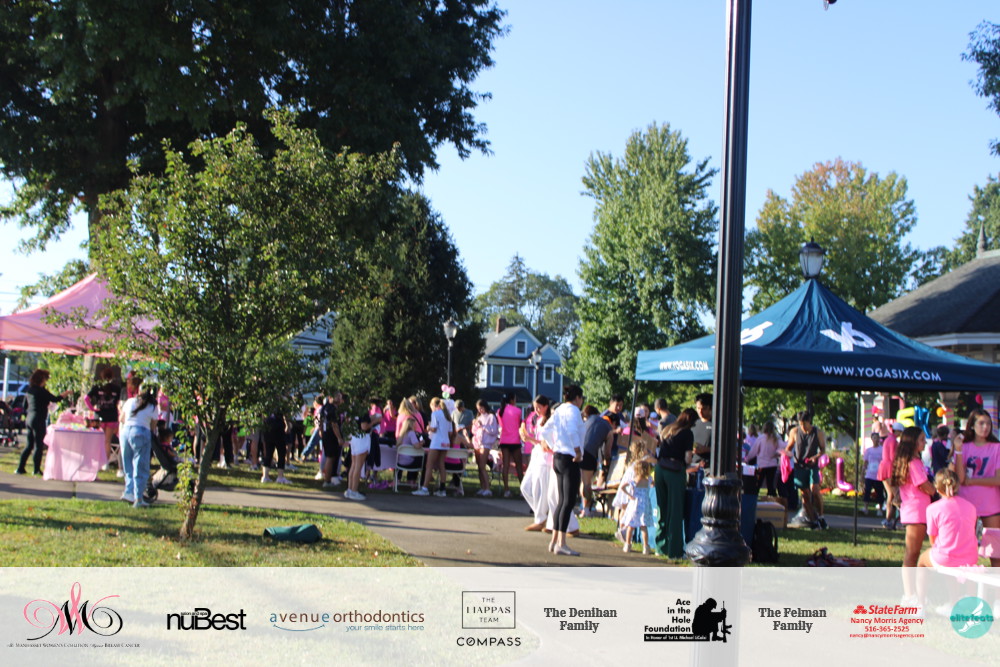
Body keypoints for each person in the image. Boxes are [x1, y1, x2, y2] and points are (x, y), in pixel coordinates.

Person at [537, 384, 585, 556]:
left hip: (558, 456)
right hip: (569, 457)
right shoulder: (573, 411)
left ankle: (554, 540)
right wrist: (577, 451)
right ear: (577, 398)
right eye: (581, 398)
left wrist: (553, 444)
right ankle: (561, 543)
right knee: (568, 501)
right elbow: (572, 431)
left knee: (562, 501)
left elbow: (545, 430)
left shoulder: (559, 410)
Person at [892, 426, 934, 606]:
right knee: (912, 554)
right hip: (916, 512)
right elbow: (926, 486)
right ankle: (909, 595)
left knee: (914, 553)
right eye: (922, 439)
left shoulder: (914, 461)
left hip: (916, 511)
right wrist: (937, 489)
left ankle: (914, 593)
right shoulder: (914, 463)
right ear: (913, 442)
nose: (925, 442)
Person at [953, 407, 1000, 567]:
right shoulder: (964, 447)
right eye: (981, 423)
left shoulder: (996, 448)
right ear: (972, 425)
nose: (985, 427)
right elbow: (960, 478)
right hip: (967, 503)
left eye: (988, 423)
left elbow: (998, 479)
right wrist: (958, 450)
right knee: (965, 549)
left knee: (995, 552)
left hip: (991, 505)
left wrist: (972, 481)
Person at [655, 407, 696, 558]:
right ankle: (675, 550)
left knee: (662, 509)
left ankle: (660, 547)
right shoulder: (687, 433)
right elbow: (688, 458)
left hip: (660, 469)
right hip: (675, 471)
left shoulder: (668, 429)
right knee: (675, 511)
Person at [919, 468, 979, 568]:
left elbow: (932, 541)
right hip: (970, 558)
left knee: (922, 560)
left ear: (937, 488)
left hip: (945, 558)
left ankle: (917, 580)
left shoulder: (933, 508)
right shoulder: (971, 507)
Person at [16, 369, 71, 476]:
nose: (46, 381)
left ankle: (20, 467)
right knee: (38, 445)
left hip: (29, 418)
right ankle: (36, 469)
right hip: (38, 418)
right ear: (42, 379)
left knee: (29, 444)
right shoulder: (41, 391)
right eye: (46, 379)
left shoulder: (30, 390)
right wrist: (66, 393)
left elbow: (25, 405)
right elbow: (55, 399)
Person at [118, 376, 158, 507]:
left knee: (128, 465)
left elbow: (122, 419)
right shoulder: (153, 406)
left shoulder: (130, 401)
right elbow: (153, 426)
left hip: (125, 432)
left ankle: (128, 491)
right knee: (140, 466)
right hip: (141, 432)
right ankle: (139, 498)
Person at [784, 410, 827, 529]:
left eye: (804, 424)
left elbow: (823, 449)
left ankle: (821, 516)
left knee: (815, 490)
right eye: (800, 424)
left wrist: (816, 457)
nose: (802, 427)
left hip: (812, 465)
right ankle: (813, 520)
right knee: (805, 495)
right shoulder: (794, 432)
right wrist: (786, 455)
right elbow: (789, 447)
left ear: (809, 422)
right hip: (799, 466)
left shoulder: (818, 432)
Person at [520, 395, 554, 530]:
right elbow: (538, 441)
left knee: (539, 489)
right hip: (536, 455)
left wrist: (530, 439)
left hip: (545, 458)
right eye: (535, 407)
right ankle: (542, 515)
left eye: (539, 407)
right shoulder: (538, 419)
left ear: (546, 406)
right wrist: (527, 437)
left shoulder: (549, 421)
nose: (536, 410)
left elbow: (546, 443)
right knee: (526, 487)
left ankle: (541, 518)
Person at [579, 404, 613, 517]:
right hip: (589, 454)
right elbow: (607, 452)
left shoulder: (585, 421)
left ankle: (583, 507)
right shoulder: (608, 427)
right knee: (587, 483)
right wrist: (607, 463)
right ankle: (586, 510)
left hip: (576, 451)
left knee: (582, 482)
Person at [413, 397, 452, 497]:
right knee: (441, 465)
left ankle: (425, 488)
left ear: (434, 405)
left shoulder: (435, 414)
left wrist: (428, 428)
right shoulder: (448, 415)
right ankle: (442, 489)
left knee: (429, 465)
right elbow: (450, 432)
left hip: (437, 442)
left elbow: (434, 429)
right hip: (446, 442)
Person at [86, 366, 122, 472]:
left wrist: (92, 408)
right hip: (112, 416)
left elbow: (86, 398)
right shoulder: (116, 389)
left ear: (102, 376)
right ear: (112, 377)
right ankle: (105, 462)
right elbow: (117, 402)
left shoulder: (97, 387)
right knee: (107, 441)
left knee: (98, 440)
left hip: (99, 416)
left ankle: (97, 461)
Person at [620, 458, 654, 555]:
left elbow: (622, 487)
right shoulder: (648, 480)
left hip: (634, 504)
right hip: (645, 505)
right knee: (643, 526)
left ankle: (627, 544)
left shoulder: (634, 481)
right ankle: (645, 547)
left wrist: (629, 495)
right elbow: (653, 484)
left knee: (631, 526)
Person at [496, 392, 525, 498]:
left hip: (504, 440)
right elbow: (518, 424)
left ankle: (506, 490)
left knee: (506, 465)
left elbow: (501, 424)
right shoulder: (518, 410)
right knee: (519, 465)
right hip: (515, 440)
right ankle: (522, 490)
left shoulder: (500, 411)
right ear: (512, 400)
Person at [876, 419, 901, 530]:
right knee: (893, 495)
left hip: (884, 467)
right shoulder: (893, 441)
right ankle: (889, 519)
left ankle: (888, 519)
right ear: (898, 431)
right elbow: (893, 457)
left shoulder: (888, 439)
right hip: (889, 468)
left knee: (890, 494)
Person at [470, 400, 499, 497]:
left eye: (481, 408)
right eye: (478, 409)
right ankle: (482, 487)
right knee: (479, 467)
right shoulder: (479, 417)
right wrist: (475, 424)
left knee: (482, 466)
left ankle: (487, 488)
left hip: (486, 444)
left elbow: (493, 431)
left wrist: (483, 426)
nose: (480, 410)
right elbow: (474, 431)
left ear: (485, 406)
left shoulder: (491, 417)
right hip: (478, 443)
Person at [747, 421, 781, 497]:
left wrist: (748, 458)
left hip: (762, 464)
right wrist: (776, 455)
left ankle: (754, 497)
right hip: (772, 464)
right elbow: (781, 449)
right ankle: (771, 498)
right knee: (770, 484)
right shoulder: (777, 438)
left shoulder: (761, 438)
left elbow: (754, 450)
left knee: (758, 483)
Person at [346, 414, 375, 500]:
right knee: (358, 467)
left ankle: (350, 489)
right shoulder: (363, 412)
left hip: (354, 437)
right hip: (362, 438)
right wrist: (374, 422)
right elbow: (364, 427)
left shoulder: (353, 411)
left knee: (354, 465)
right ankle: (354, 490)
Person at [320, 391, 345, 488]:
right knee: (330, 457)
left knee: (330, 457)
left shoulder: (325, 407)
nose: (339, 398)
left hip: (326, 434)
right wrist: (339, 438)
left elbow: (321, 421)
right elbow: (334, 424)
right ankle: (327, 480)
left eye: (340, 396)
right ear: (331, 397)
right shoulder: (332, 409)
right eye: (337, 396)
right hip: (331, 435)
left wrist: (321, 431)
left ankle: (329, 478)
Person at [260, 409, 291, 485]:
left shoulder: (266, 406)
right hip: (278, 428)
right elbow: (285, 413)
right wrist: (287, 424)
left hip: (268, 428)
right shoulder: (280, 405)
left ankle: (265, 476)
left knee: (269, 453)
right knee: (281, 453)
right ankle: (280, 476)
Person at [689, 393, 713, 485]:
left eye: (704, 409)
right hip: (693, 467)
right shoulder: (693, 423)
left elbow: (724, 448)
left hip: (708, 469)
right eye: (698, 408)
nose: (700, 412)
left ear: (710, 408)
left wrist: (705, 449)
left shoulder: (716, 424)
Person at [862, 432, 886, 515]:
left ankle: (880, 509)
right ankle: (865, 508)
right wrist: (862, 474)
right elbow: (865, 463)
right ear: (872, 439)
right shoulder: (868, 450)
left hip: (878, 475)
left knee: (879, 492)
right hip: (869, 475)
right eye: (874, 438)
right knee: (867, 491)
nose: (876, 440)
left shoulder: (882, 449)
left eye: (877, 438)